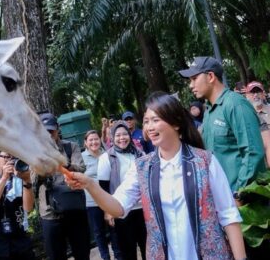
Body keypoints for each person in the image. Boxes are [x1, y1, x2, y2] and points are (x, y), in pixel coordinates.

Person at [66, 92, 247, 260]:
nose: (149, 127)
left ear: (176, 123)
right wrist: (90, 184)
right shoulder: (143, 167)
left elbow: (229, 216)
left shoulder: (205, 162)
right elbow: (118, 207)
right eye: (146, 121)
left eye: (155, 120)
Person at [179, 56, 266, 194]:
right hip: (223, 197)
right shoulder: (209, 111)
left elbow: (253, 152)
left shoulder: (235, 104)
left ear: (211, 76)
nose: (191, 85)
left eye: (194, 79)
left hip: (245, 201)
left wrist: (240, 193)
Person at [34, 112, 90, 260]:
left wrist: (61, 162)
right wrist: (42, 167)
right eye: (45, 132)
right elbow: (32, 182)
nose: (49, 135)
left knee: (82, 252)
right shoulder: (35, 153)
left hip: (74, 206)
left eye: (51, 131)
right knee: (55, 255)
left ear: (58, 129)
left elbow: (81, 167)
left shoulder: (70, 146)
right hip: (50, 213)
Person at [97, 121, 147, 260]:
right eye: (118, 135)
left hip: (142, 209)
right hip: (121, 210)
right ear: (112, 138)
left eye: (125, 134)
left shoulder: (140, 154)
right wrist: (108, 211)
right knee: (127, 250)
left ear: (130, 135)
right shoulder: (106, 158)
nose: (122, 138)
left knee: (147, 247)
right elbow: (103, 188)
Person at [82, 130, 119, 260]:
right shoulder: (81, 158)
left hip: (109, 199)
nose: (94, 142)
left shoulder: (107, 155)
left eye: (96, 139)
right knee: (99, 232)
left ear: (100, 140)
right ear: (85, 143)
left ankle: (118, 255)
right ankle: (105, 257)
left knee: (114, 229)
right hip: (92, 202)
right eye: (90, 140)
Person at [245, 81, 270, 168]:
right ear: (246, 96)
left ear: (263, 94)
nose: (255, 95)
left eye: (258, 92)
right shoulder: (244, 115)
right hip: (256, 164)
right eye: (252, 92)